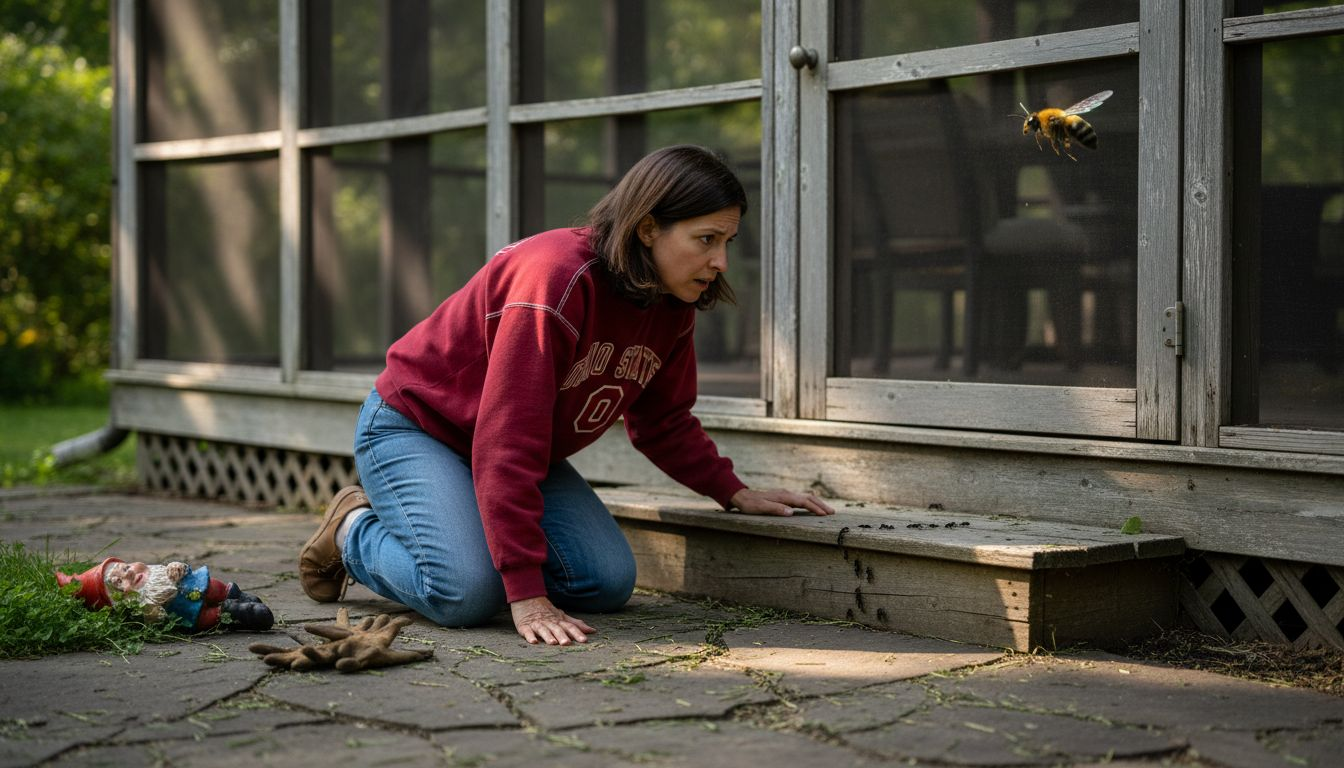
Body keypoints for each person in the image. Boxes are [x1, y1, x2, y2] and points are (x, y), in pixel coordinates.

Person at [299, 145, 834, 646]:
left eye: (727, 243)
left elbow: (663, 421)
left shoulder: (670, 302)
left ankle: (462, 530)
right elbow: (509, 438)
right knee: (465, 593)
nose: (721, 262)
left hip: (509, 450)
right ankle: (353, 530)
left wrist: (733, 491)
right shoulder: (554, 279)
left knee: (605, 581)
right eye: (706, 239)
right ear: (648, 228)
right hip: (417, 428)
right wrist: (525, 593)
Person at [57, 556, 274, 631]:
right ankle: (232, 613)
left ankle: (231, 594)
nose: (129, 574)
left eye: (125, 568)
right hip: (190, 612)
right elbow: (157, 618)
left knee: (215, 587)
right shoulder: (143, 603)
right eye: (119, 583)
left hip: (199, 584)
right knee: (209, 617)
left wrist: (177, 566)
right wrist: (151, 612)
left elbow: (180, 569)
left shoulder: (155, 572)